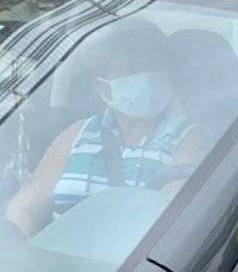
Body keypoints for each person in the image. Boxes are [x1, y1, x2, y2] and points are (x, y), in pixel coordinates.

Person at [4, 19, 207, 238]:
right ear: (104, 87)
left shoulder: (189, 137)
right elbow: (26, 210)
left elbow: (171, 225)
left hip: (133, 269)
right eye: (131, 68)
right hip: (55, 265)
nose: (147, 75)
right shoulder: (78, 133)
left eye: (152, 65)